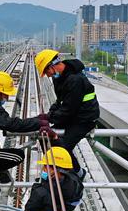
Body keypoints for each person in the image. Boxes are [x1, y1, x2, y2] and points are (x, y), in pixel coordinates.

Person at [34, 50, 100, 178]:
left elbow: (68, 109)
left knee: (62, 146)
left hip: (84, 119)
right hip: (72, 117)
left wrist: (49, 119)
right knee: (44, 137)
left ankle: (77, 174)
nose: (47, 76)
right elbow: (60, 101)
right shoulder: (59, 78)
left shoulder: (76, 80)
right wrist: (49, 114)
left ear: (51, 65)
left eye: (46, 72)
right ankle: (55, 168)